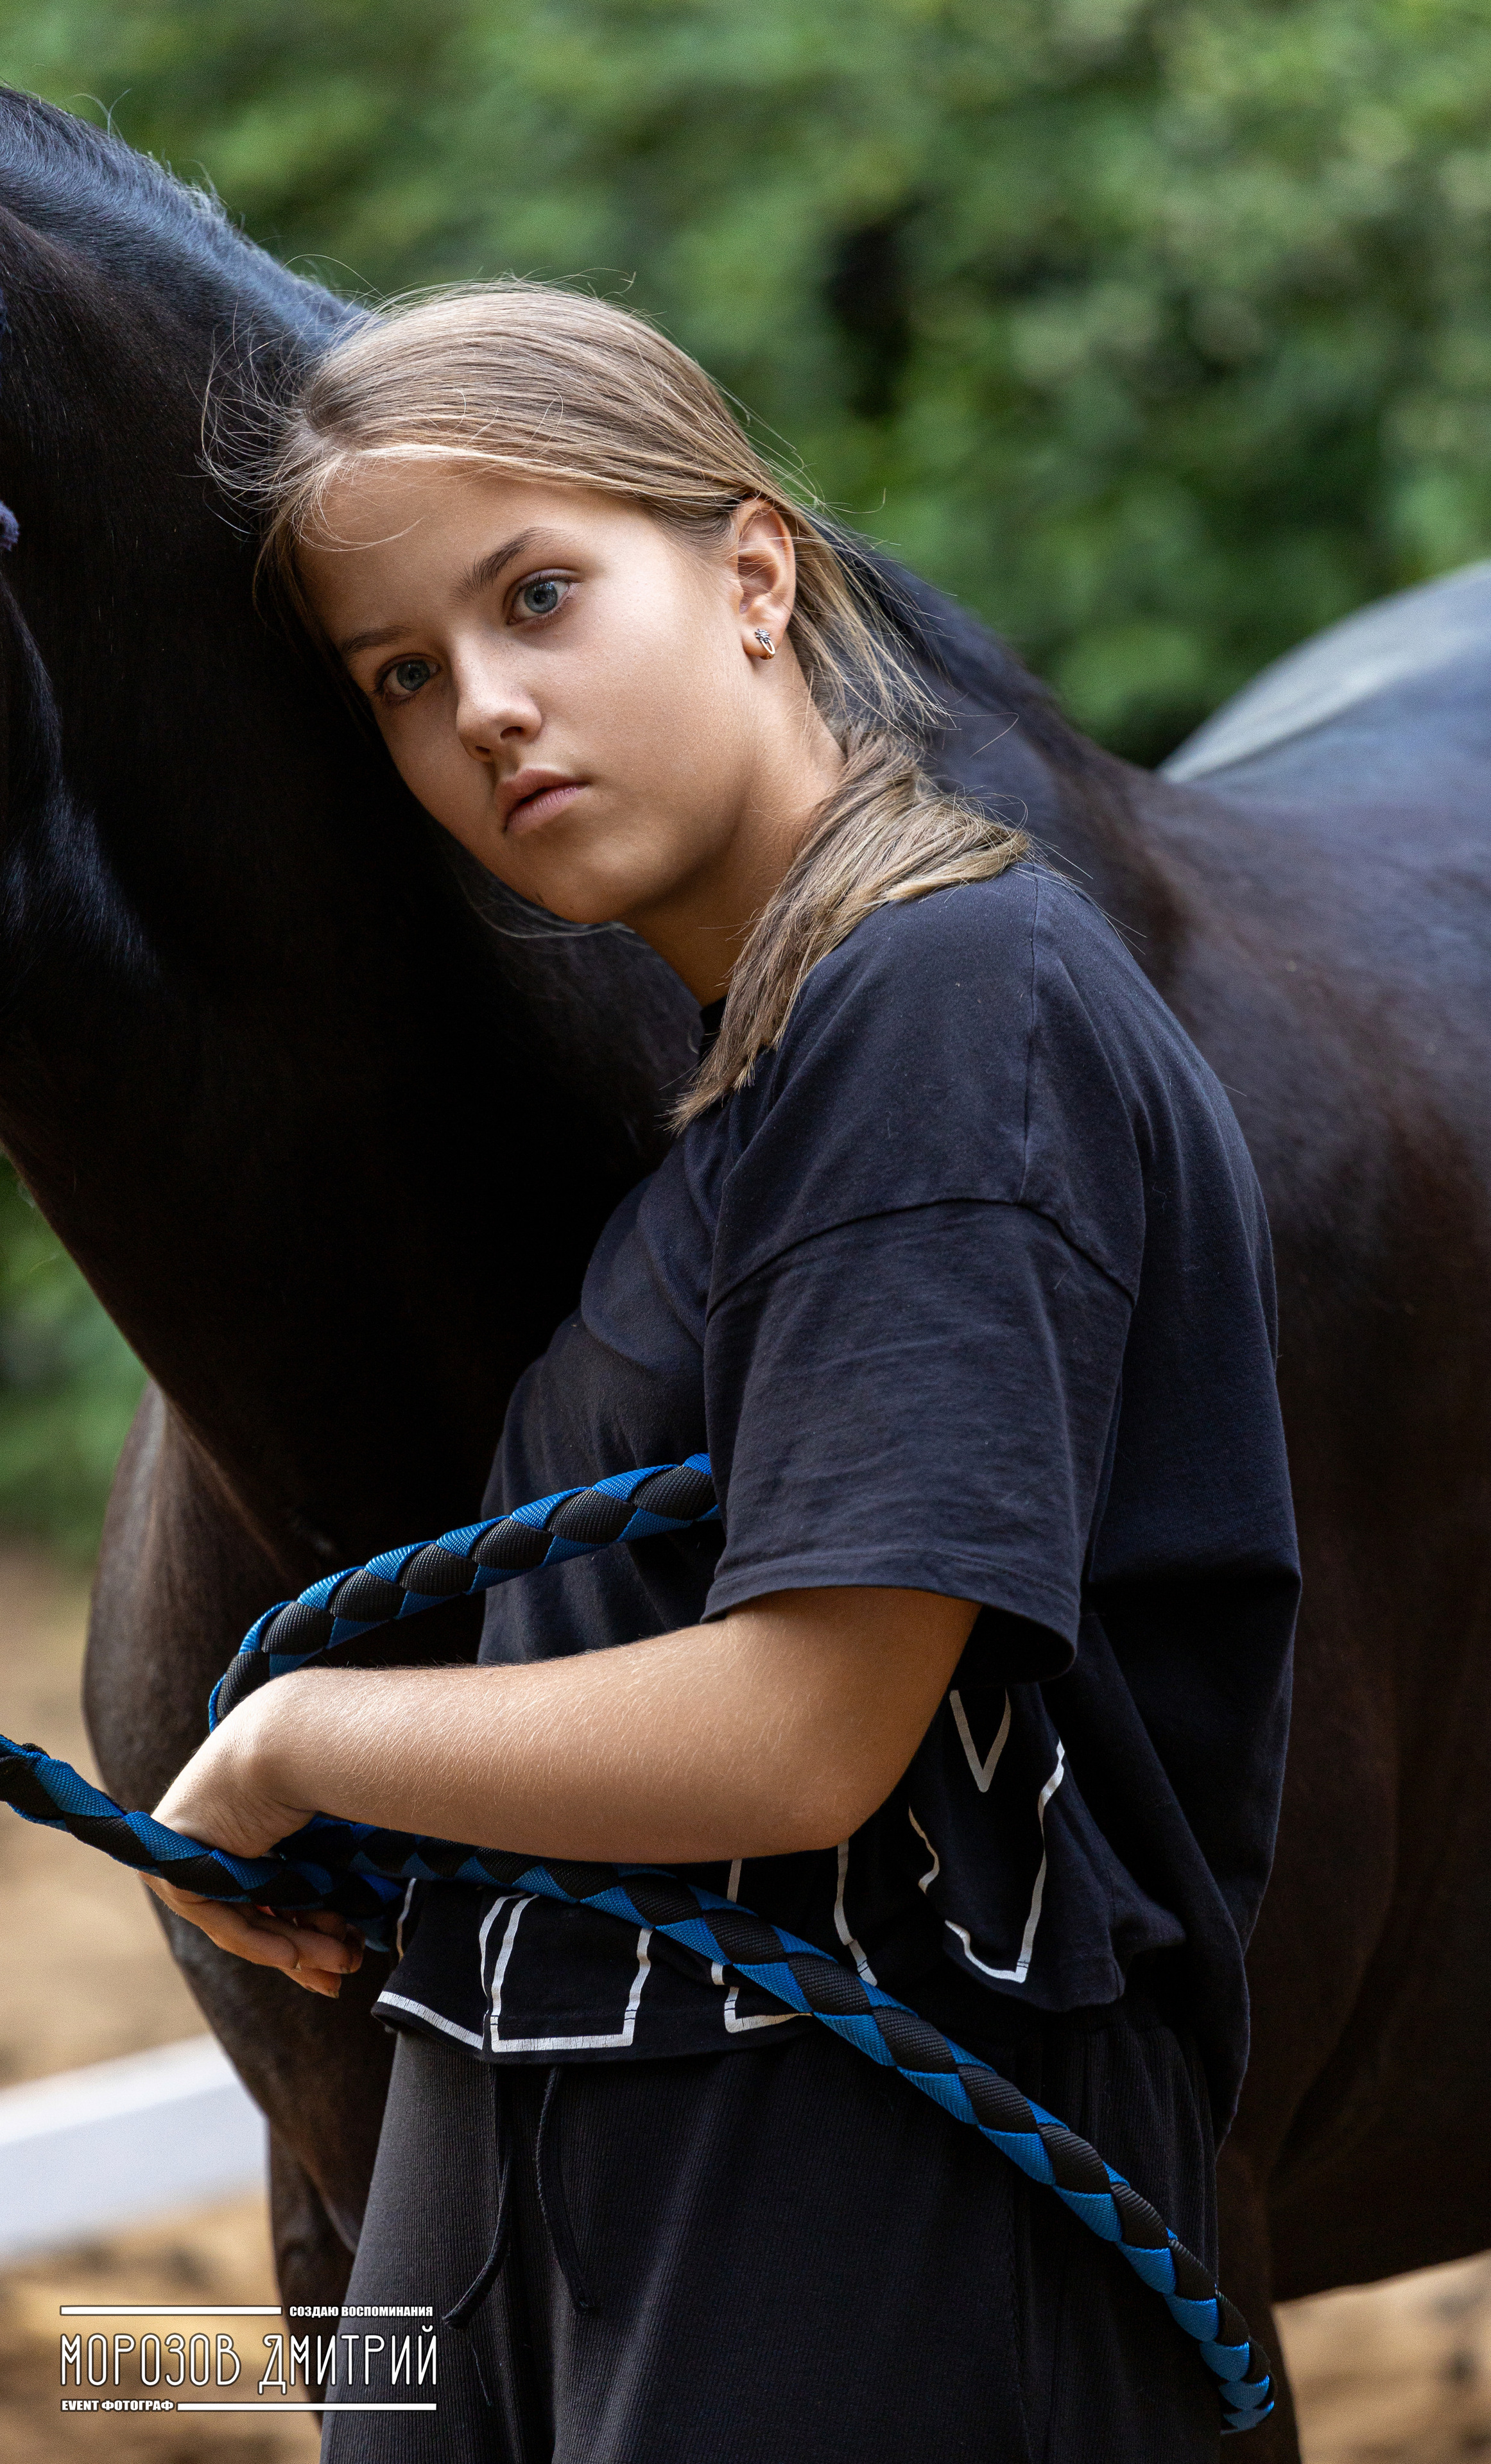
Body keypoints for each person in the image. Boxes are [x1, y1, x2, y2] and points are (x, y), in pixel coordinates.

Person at [146, 285, 1300, 2461]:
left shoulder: (954, 1005)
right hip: (649, 2172)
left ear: (754, 573)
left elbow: (808, 1731)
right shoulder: (765, 1084)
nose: (486, 707)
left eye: (541, 595)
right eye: (405, 674)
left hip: (870, 2217)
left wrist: (301, 1736)